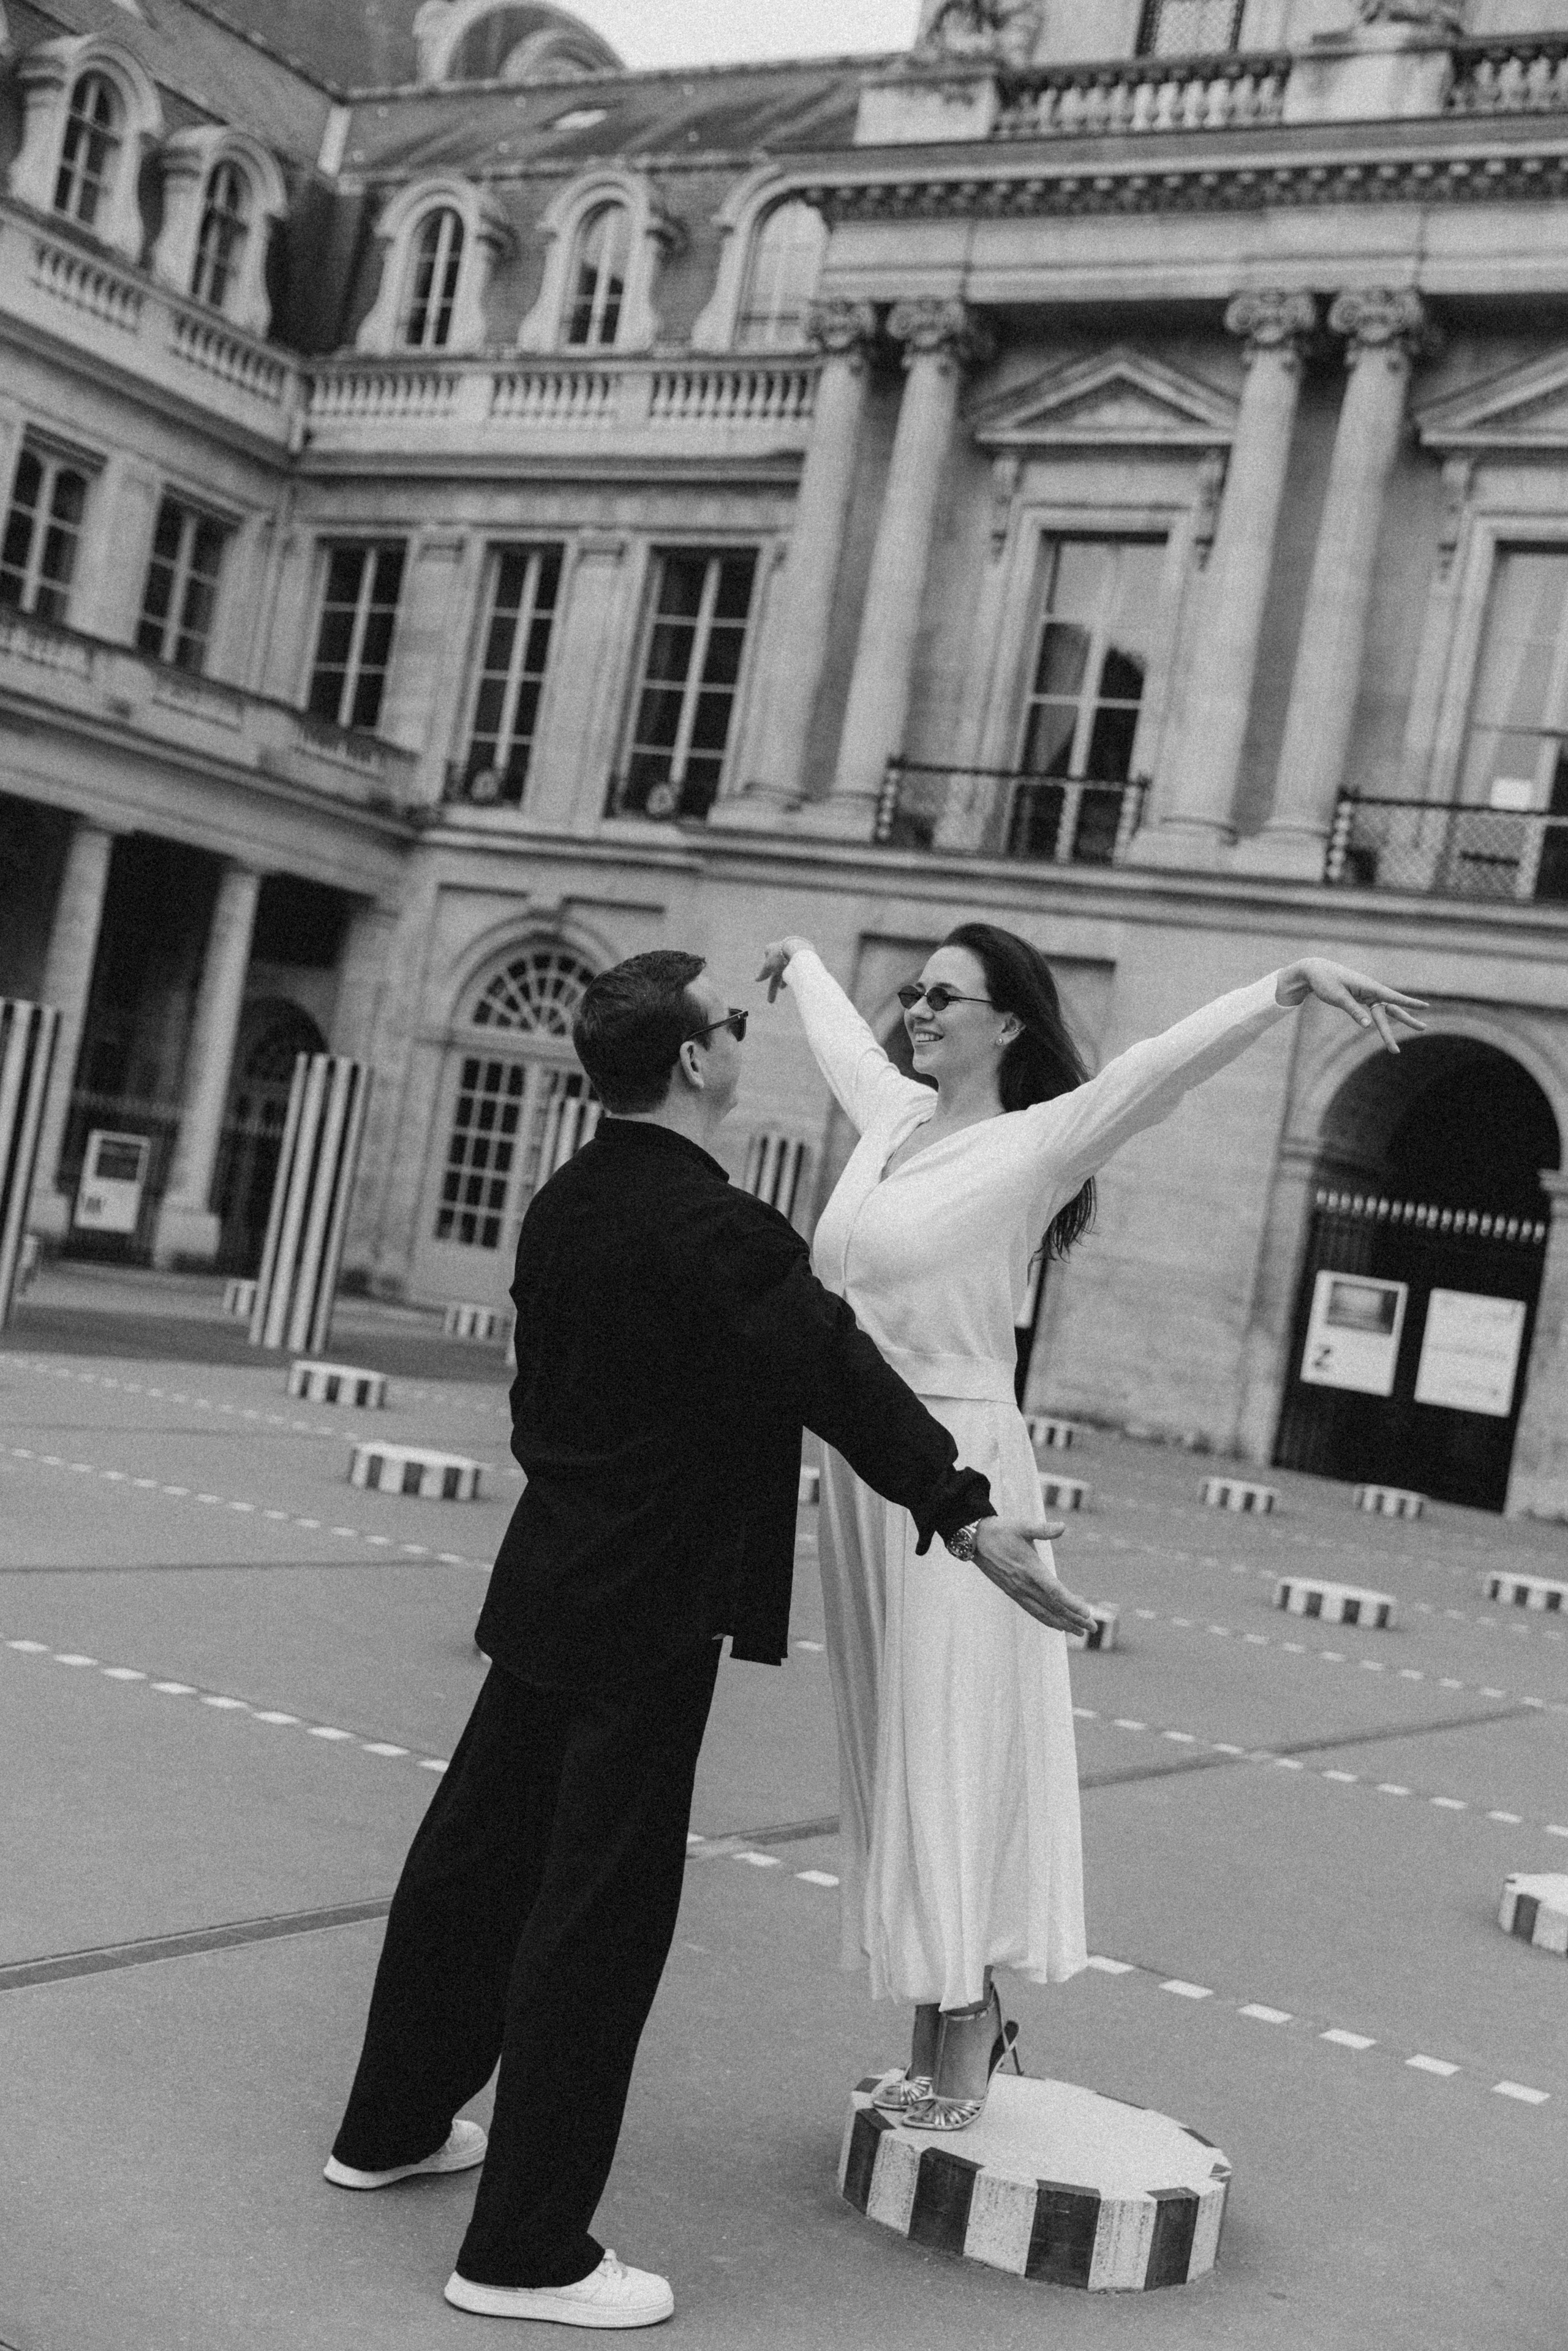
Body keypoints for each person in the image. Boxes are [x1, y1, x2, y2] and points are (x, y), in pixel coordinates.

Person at [323, 948, 1093, 2331]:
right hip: (647, 1609)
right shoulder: (721, 1230)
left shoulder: (563, 1200)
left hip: (547, 1580)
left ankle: (386, 2124)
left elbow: (534, 1398)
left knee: (470, 1862)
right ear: (692, 1060)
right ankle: (522, 2249)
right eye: (733, 1025)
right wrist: (963, 1510)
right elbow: (836, 1373)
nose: (745, 1038)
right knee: (596, 1922)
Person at [758, 928, 1425, 2129]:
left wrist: (1284, 985)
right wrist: (801, 956)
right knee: (896, 1746)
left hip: (961, 1467)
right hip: (862, 1473)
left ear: (1007, 1022)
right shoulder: (894, 1116)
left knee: (950, 1743)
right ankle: (932, 2017)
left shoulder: (1038, 1143)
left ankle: (965, 2026)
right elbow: (840, 1041)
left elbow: (1155, 1070)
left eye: (943, 995)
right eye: (912, 990)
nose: (917, 1010)